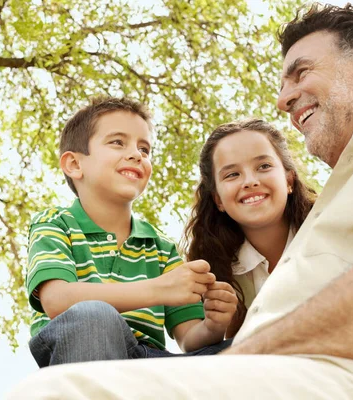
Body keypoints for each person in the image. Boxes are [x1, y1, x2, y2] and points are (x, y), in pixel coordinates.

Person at [7, 4, 353, 399]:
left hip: (313, 377)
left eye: (302, 72)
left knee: (56, 393)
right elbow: (61, 301)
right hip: (264, 372)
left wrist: (232, 360)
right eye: (231, 175)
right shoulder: (347, 190)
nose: (283, 100)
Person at [26, 96, 236, 368]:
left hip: (151, 363)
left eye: (145, 149)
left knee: (253, 348)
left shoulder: (160, 247)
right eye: (117, 142)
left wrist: (214, 324)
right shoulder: (56, 223)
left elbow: (190, 339)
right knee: (93, 317)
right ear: (75, 165)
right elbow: (57, 300)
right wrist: (158, 289)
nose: (137, 154)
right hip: (82, 350)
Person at [182, 119, 315, 337]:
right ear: (218, 200)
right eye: (232, 174)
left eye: (263, 166)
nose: (250, 181)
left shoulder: (330, 230)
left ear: (289, 180)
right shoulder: (217, 269)